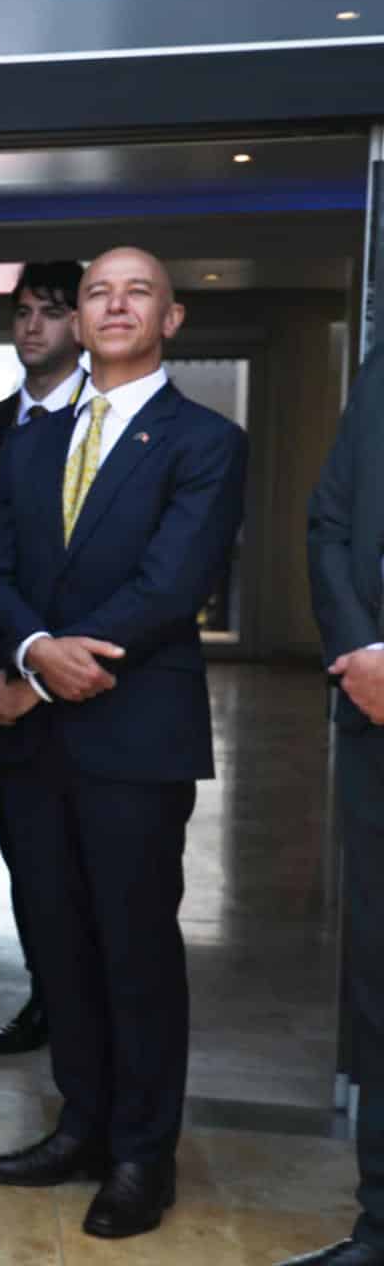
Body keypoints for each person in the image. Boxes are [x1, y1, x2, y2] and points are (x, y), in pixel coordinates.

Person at [0, 246, 248, 1239]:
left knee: (133, 952)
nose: (116, 305)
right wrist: (32, 647)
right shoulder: (33, 439)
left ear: (171, 319)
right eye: (99, 292)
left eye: (139, 292)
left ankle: (141, 1154)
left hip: (135, 735)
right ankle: (79, 1126)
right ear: (78, 318)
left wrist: (36, 673)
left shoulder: (205, 442)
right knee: (57, 944)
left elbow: (174, 587)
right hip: (39, 747)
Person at [0, 260, 90, 1058]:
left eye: (50, 311)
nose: (32, 326)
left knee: (92, 890)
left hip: (91, 694)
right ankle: (49, 1004)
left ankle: (80, 1020)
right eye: (22, 311)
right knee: (32, 876)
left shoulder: (100, 424)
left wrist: (35, 677)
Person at [294, 345, 384, 1266]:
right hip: (374, 717)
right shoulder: (381, 366)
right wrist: (365, 653)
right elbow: (329, 522)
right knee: (380, 986)